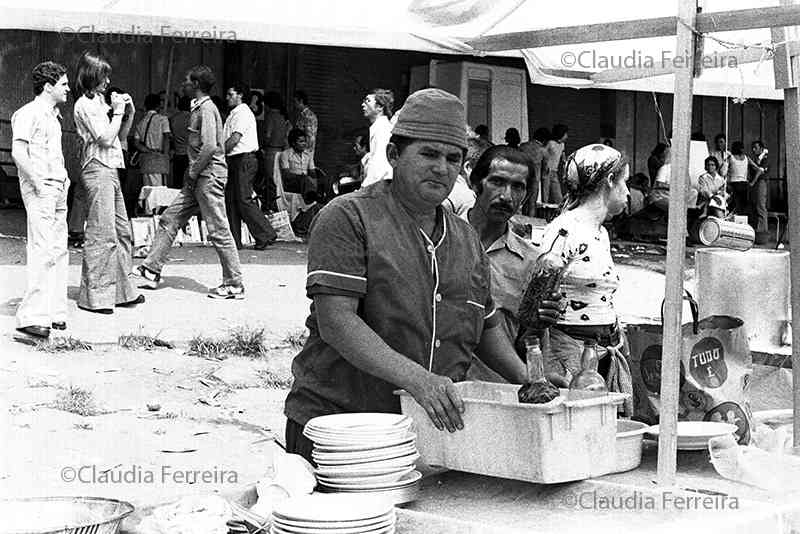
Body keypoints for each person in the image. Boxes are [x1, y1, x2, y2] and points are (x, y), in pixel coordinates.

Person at [283, 89, 532, 463]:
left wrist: (529, 380)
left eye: (453, 158)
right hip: (341, 427)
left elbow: (485, 326)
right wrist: (419, 380)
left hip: (426, 431)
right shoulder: (348, 218)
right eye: (428, 154)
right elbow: (336, 321)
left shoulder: (465, 240)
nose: (441, 167)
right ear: (394, 155)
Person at [136, 65, 244, 300]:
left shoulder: (206, 109)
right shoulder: (200, 109)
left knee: (218, 229)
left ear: (195, 85)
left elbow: (209, 146)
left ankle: (234, 283)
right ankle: (151, 269)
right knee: (170, 218)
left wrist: (192, 172)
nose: (182, 84)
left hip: (207, 177)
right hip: (199, 178)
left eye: (186, 81)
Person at [540, 143, 633, 415]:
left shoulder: (600, 233)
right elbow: (537, 298)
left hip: (601, 352)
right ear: (609, 182)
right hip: (570, 356)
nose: (627, 192)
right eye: (623, 182)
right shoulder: (566, 230)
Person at [465, 146, 567, 375]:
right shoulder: (441, 239)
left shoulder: (534, 263)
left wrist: (538, 324)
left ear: (527, 195)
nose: (506, 196)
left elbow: (525, 345)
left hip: (496, 388)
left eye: (518, 187)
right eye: (497, 182)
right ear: (475, 183)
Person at [73, 51, 142, 314]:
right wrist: (118, 112)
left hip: (111, 168)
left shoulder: (101, 102)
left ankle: (122, 292)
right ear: (92, 77)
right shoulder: (84, 105)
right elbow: (103, 137)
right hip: (97, 169)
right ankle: (95, 298)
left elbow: (120, 136)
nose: (107, 80)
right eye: (103, 76)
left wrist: (129, 113)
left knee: (122, 231)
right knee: (102, 234)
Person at [11, 61, 70, 338]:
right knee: (42, 248)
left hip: (58, 187)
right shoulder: (28, 113)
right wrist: (36, 181)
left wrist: (64, 179)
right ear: (48, 86)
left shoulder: (53, 116)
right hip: (42, 188)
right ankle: (31, 316)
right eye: (63, 84)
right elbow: (18, 152)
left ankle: (54, 312)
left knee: (58, 249)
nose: (68, 88)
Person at [222, 82, 277, 250]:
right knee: (231, 200)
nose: (227, 98)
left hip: (243, 159)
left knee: (244, 199)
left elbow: (235, 139)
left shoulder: (242, 113)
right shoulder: (235, 113)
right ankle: (234, 240)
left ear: (240, 95)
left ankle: (266, 233)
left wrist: (218, 153)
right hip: (234, 159)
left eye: (231, 94)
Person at [133, 93, 171, 187]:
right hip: (159, 158)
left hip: (145, 161)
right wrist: (165, 156)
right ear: (158, 106)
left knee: (147, 190)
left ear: (145, 106)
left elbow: (136, 143)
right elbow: (166, 138)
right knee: (160, 191)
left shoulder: (140, 123)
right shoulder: (163, 119)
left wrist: (148, 151)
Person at [261, 91, 291, 211]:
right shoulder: (282, 117)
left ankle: (271, 208)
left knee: (270, 182)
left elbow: (268, 136)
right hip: (281, 152)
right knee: (277, 182)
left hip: (271, 152)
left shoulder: (270, 116)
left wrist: (262, 146)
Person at [360, 88, 394, 187]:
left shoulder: (382, 129)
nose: (363, 105)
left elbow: (379, 162)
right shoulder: (379, 127)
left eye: (367, 101)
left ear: (379, 107)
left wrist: (365, 187)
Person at [519, 127, 550, 216]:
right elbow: (545, 172)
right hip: (534, 180)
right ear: (545, 140)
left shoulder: (523, 146)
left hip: (521, 177)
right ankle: (530, 223)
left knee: (521, 203)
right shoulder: (543, 151)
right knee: (532, 204)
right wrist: (545, 197)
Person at [726, 141, 760, 218]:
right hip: (744, 184)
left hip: (734, 185)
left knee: (733, 206)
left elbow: (722, 171)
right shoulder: (746, 158)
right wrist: (752, 182)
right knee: (742, 207)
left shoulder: (730, 158)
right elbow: (759, 170)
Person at [279, 128, 316, 195]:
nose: (304, 144)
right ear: (293, 143)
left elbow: (312, 172)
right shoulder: (285, 154)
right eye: (301, 141)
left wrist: (315, 176)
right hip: (291, 183)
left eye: (305, 141)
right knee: (305, 180)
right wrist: (301, 177)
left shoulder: (308, 154)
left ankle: (313, 196)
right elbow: (286, 175)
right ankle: (312, 197)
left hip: (306, 182)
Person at [542, 124, 568, 204]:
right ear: (561, 134)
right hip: (547, 170)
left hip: (554, 171)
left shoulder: (562, 145)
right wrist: (545, 166)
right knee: (545, 192)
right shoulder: (550, 143)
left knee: (557, 193)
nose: (567, 136)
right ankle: (543, 208)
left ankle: (560, 207)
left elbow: (563, 159)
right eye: (565, 134)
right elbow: (543, 154)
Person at [170, 95, 192, 189]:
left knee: (177, 184)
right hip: (190, 154)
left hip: (177, 153)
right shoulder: (193, 118)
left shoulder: (173, 119)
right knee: (190, 184)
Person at [750, 140, 769, 236]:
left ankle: (762, 231)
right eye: (752, 148)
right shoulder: (756, 158)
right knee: (755, 205)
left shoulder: (765, 158)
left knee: (760, 206)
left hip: (760, 182)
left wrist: (752, 182)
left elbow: (760, 171)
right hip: (756, 183)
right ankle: (757, 229)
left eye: (755, 148)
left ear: (761, 149)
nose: (753, 150)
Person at [293, 90, 318, 157]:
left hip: (304, 153)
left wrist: (303, 153)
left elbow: (310, 138)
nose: (294, 104)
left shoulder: (307, 116)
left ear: (301, 101)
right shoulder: (304, 115)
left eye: (295, 102)